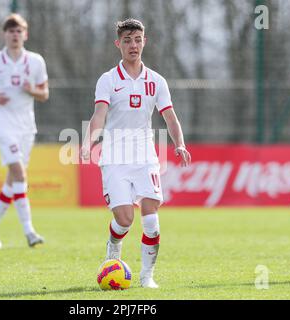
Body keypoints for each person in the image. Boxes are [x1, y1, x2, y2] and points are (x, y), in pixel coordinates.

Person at [81, 19, 191, 288]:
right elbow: (99, 116)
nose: (133, 45)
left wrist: (180, 144)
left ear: (145, 41)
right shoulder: (108, 80)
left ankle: (146, 277)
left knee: (151, 221)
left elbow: (170, 117)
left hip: (145, 157)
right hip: (115, 158)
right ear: (118, 44)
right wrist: (87, 142)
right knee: (124, 218)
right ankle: (113, 246)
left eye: (138, 39)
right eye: (128, 40)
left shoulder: (156, 81)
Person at [0, 14, 49, 248]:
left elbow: (45, 94)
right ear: (4, 35)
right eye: (11, 31)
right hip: (3, 126)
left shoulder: (36, 61)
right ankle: (29, 232)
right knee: (20, 174)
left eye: (19, 31)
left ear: (25, 35)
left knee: (12, 181)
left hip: (27, 127)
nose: (15, 35)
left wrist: (32, 90)